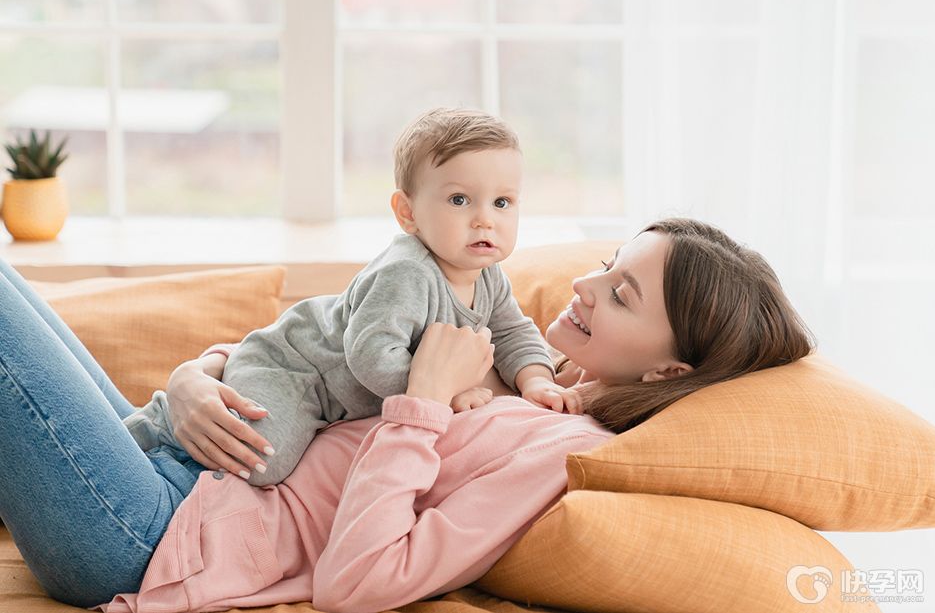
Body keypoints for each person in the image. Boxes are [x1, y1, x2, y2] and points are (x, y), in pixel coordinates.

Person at [0, 217, 813, 612]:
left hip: (153, 538)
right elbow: (316, 361)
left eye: (621, 293)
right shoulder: (512, 359)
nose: (584, 287)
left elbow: (360, 581)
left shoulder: (558, 451)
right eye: (605, 267)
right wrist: (198, 373)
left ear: (670, 369)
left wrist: (421, 401)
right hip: (177, 459)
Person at [121, 107, 573, 486]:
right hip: (294, 368)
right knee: (261, 462)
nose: (484, 220)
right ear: (408, 212)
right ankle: (158, 424)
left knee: (264, 462)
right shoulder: (407, 272)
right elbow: (371, 356)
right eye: (459, 200)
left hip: (326, 391)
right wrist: (442, 393)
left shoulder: (488, 276)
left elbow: (514, 331)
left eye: (502, 203)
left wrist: (535, 380)